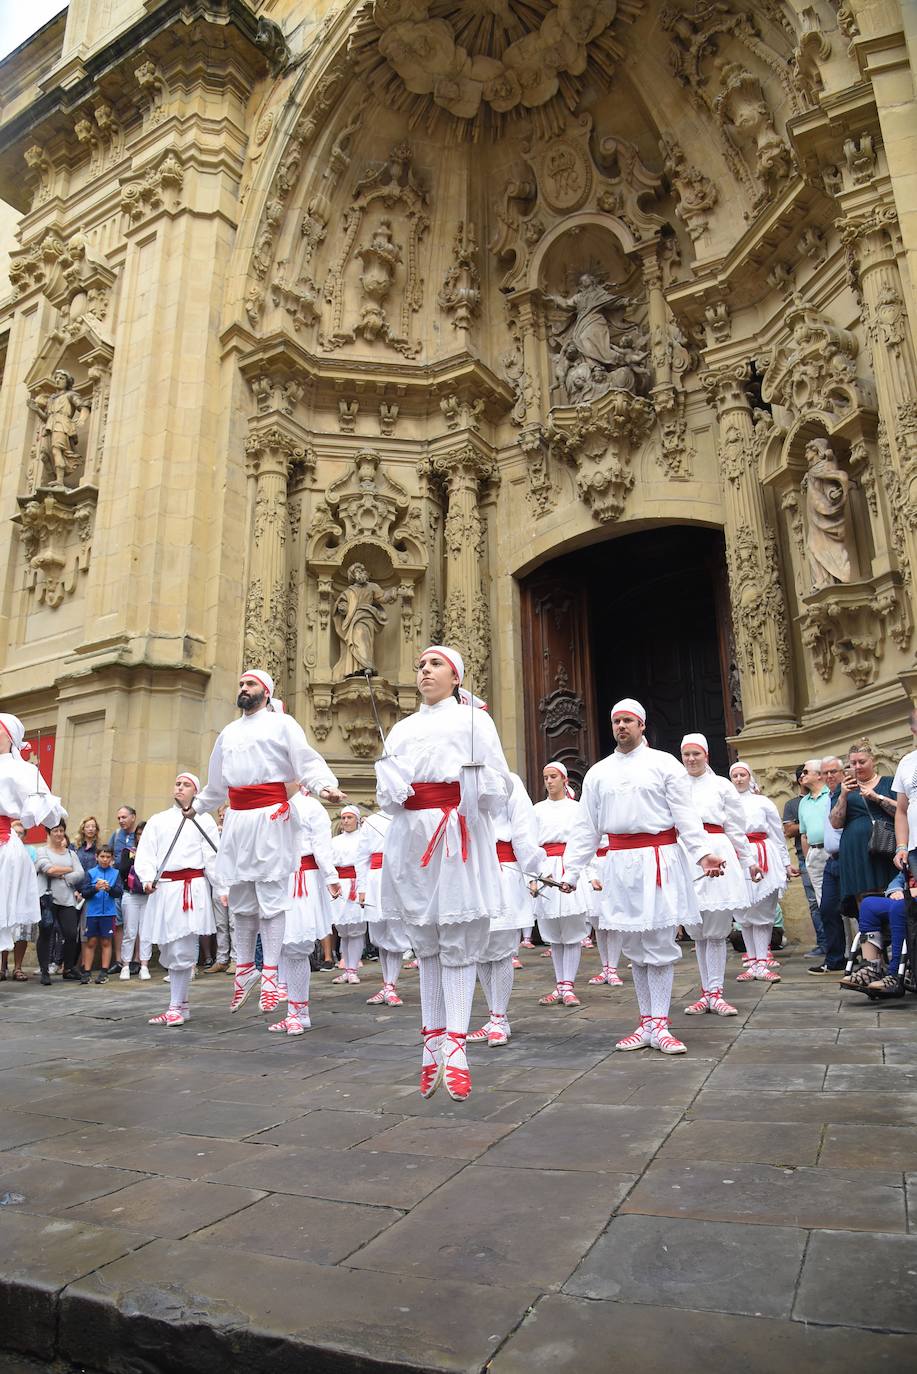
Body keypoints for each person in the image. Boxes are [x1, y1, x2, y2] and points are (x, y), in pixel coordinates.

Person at [375, 645, 515, 1101]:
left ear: (456, 676)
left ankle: (456, 1043)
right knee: (425, 940)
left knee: (457, 937)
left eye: (434, 664)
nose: (424, 672)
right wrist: (390, 786)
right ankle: (431, 1042)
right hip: (410, 839)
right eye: (419, 666)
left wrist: (476, 786)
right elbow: (386, 797)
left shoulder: (475, 721)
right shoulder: (401, 728)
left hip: (456, 833)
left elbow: (501, 785)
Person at [563, 699, 725, 1055]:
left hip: (659, 860)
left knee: (659, 943)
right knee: (635, 946)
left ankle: (662, 1025)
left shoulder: (664, 764)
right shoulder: (599, 772)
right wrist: (572, 870)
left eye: (628, 721)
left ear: (641, 725)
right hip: (620, 863)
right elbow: (586, 826)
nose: (621, 726)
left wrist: (703, 853)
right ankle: (645, 1023)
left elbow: (686, 816)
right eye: (616, 721)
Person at [191, 667, 344, 1018]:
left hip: (271, 817)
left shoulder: (282, 725)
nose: (243, 688)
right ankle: (245, 969)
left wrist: (324, 786)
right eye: (241, 683)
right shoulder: (228, 733)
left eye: (250, 684)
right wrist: (196, 806)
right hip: (238, 820)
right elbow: (215, 785)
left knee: (272, 897)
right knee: (243, 898)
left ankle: (271, 973)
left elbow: (306, 762)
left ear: (266, 691)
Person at [680, 735, 761, 1017]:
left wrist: (748, 860)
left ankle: (716, 993)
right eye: (686, 754)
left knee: (715, 931)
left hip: (717, 850)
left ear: (706, 756)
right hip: (687, 855)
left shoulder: (721, 785)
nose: (691, 759)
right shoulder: (676, 785)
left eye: (696, 754)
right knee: (698, 932)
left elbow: (736, 827)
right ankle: (705, 992)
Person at [134, 773, 219, 1027]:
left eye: (186, 785)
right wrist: (147, 878)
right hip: (165, 889)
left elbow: (213, 857)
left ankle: (175, 1007)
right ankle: (181, 1006)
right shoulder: (159, 820)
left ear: (196, 791)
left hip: (191, 890)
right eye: (178, 784)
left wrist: (222, 888)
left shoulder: (204, 820)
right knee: (170, 948)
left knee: (182, 947)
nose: (180, 788)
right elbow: (147, 853)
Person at [469, 771, 545, 1047]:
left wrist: (534, 871)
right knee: (479, 949)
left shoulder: (509, 780)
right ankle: (493, 1016)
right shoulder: (461, 779)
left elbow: (524, 830)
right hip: (472, 872)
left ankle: (500, 1017)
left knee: (500, 949)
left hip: (503, 873)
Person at [270, 788, 341, 1034]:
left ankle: (297, 1012)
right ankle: (299, 1012)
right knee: (286, 945)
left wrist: (331, 876)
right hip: (280, 879)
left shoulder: (311, 807)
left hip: (302, 880)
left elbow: (322, 846)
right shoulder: (271, 805)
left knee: (296, 945)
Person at [0, 713, 66, 963]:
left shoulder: (20, 769)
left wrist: (41, 805)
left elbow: (50, 817)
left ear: (10, 736)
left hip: (3, 845)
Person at [532, 762, 595, 1007]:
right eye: (546, 777)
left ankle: (568, 985)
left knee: (571, 931)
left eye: (554, 777)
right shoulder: (537, 809)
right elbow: (531, 845)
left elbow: (584, 842)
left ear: (565, 780)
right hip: (546, 867)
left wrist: (583, 873)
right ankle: (560, 985)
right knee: (553, 934)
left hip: (570, 867)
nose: (549, 781)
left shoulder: (577, 809)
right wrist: (533, 876)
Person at [729, 762, 795, 982]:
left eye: (742, 775)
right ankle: (752, 960)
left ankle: (763, 962)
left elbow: (777, 834)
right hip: (738, 856)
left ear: (750, 777)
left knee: (763, 911)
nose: (738, 779)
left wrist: (785, 863)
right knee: (744, 913)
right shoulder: (726, 802)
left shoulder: (762, 802)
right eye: (735, 775)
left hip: (763, 854)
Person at [828, 741, 896, 940]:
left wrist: (877, 798)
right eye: (852, 763)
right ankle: (874, 957)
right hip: (856, 851)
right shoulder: (845, 789)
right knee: (863, 897)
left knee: (891, 891)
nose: (857, 767)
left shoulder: (889, 782)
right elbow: (835, 823)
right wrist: (843, 796)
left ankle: (897, 948)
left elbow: (902, 810)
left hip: (886, 847)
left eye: (861, 762)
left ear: (873, 761)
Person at [360, 811, 411, 1007]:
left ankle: (391, 985)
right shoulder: (371, 820)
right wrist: (362, 888)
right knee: (380, 935)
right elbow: (361, 856)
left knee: (396, 933)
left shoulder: (406, 816)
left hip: (397, 878)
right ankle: (386, 983)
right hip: (374, 880)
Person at [809, 757, 848, 974]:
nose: (830, 776)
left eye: (834, 771)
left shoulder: (848, 793)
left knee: (858, 909)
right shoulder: (826, 797)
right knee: (827, 909)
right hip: (830, 859)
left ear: (842, 772)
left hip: (849, 858)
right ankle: (835, 959)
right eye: (825, 773)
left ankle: (871, 958)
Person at [783, 764, 826, 956]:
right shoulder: (794, 804)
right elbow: (790, 830)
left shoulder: (826, 796)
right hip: (806, 856)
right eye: (803, 774)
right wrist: (811, 822)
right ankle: (824, 944)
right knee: (814, 902)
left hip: (827, 852)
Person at [34, 823, 84, 985]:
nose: (59, 834)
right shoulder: (41, 851)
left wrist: (64, 875)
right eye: (55, 831)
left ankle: (68, 968)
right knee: (46, 933)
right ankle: (44, 971)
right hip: (47, 898)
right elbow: (48, 869)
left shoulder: (71, 853)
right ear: (49, 833)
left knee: (70, 933)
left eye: (61, 831)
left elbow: (80, 874)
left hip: (67, 899)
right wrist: (68, 869)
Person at [330, 805, 367, 984]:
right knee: (343, 930)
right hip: (341, 886)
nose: (345, 821)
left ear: (357, 819)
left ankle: (353, 969)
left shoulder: (364, 838)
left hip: (357, 884)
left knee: (356, 929)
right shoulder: (335, 841)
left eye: (349, 817)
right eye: (343, 818)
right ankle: (346, 968)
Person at [79, 845, 123, 983]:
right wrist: (95, 888)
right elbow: (84, 892)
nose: (105, 860)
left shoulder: (115, 873)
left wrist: (109, 889)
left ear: (112, 859)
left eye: (108, 857)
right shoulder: (91, 873)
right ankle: (87, 972)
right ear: (96, 857)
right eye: (102, 857)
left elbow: (119, 892)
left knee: (106, 941)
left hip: (108, 913)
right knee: (91, 942)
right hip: (92, 913)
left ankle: (104, 972)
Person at [1, 820, 37, 981]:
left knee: (20, 934)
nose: (17, 835)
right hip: (5, 896)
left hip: (20, 898)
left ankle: (17, 967)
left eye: (20, 832)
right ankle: (2, 967)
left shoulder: (26, 851)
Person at [107, 806, 139, 975]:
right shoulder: (116, 835)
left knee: (136, 924)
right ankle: (119, 959)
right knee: (118, 923)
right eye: (119, 817)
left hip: (134, 885)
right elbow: (109, 855)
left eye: (124, 817)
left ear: (133, 817)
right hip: (117, 884)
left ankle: (136, 959)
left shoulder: (140, 835)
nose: (121, 821)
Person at [118, 821, 151, 980]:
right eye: (139, 833)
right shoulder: (128, 851)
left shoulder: (154, 852)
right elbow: (123, 870)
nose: (141, 836)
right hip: (130, 894)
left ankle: (144, 965)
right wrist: (136, 859)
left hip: (147, 896)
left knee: (145, 932)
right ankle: (125, 964)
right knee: (130, 932)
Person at [203, 805, 234, 976]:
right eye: (220, 815)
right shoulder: (214, 833)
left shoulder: (236, 834)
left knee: (234, 923)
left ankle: (237, 959)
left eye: (225, 815)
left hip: (233, 883)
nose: (222, 817)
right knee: (221, 924)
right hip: (217, 882)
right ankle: (222, 959)